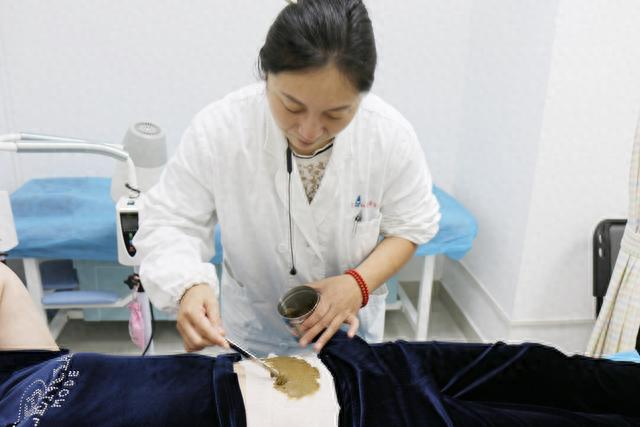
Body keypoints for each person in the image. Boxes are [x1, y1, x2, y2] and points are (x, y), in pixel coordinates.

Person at [133, 0, 441, 356]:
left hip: (347, 333)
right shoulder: (220, 130)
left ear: (361, 96)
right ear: (267, 75)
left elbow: (411, 226)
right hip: (251, 332)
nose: (309, 131)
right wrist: (188, 286)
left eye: (336, 114)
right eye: (292, 106)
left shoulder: (388, 137)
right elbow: (170, 221)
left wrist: (358, 284)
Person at [3, 263, 640, 427]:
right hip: (354, 422)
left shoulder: (13, 375)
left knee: (541, 367)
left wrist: (193, 289)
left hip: (345, 365)